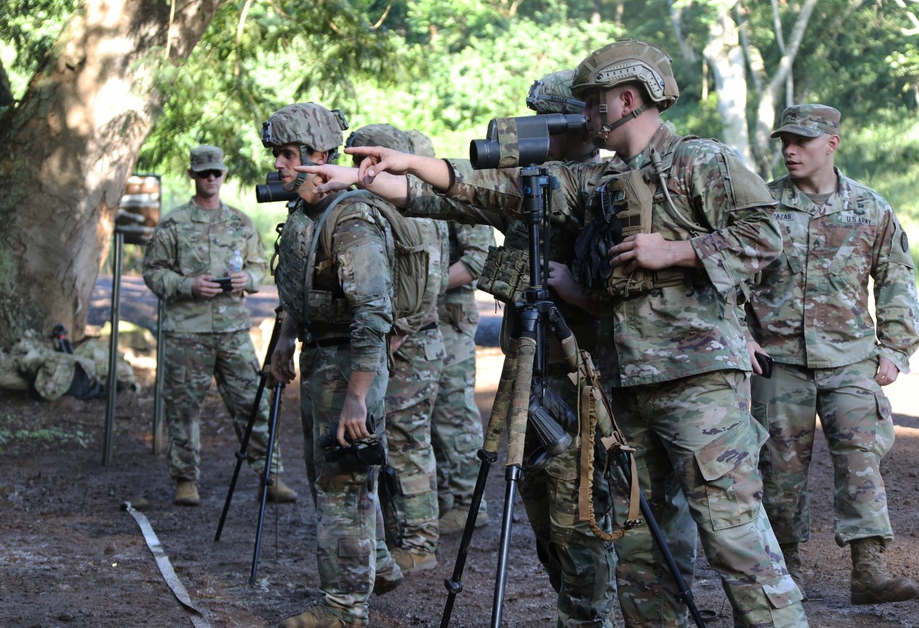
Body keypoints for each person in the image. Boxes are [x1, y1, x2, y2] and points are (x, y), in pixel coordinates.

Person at [302, 39, 808, 627]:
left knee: (734, 538)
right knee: (641, 549)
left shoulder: (701, 161)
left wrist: (677, 249)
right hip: (622, 386)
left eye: (592, 105)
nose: (586, 119)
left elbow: (772, 232)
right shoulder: (602, 183)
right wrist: (406, 168)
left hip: (697, 383)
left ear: (627, 99)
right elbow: (495, 192)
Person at [746, 104, 919, 605]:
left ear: (832, 143)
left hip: (850, 360)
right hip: (778, 362)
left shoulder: (871, 208)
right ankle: (786, 573)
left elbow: (896, 280)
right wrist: (743, 335)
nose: (790, 150)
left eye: (801, 140)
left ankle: (869, 570)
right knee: (777, 470)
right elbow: (730, 276)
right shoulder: (763, 206)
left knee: (862, 461)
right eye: (784, 141)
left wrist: (895, 348)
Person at [263, 104, 399, 628]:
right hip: (320, 355)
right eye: (276, 153)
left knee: (341, 483)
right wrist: (284, 343)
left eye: (289, 154)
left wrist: (357, 396)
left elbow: (373, 311)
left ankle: (344, 608)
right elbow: (298, 290)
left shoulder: (350, 217)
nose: (279, 163)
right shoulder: (305, 212)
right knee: (336, 474)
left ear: (320, 156)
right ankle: (377, 564)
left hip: (349, 362)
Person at [142, 144, 296, 507]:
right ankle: (185, 481)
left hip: (232, 331)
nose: (211, 179)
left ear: (223, 175)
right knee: (182, 409)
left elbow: (261, 266)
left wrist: (249, 279)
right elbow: (153, 271)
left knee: (253, 405)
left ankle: (270, 476)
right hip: (186, 331)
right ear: (193, 175)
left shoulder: (240, 222)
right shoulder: (173, 224)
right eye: (204, 173)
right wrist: (187, 285)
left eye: (217, 173)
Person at [343, 123, 446, 574]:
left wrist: (398, 331)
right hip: (397, 343)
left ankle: (421, 543)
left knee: (408, 444)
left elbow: (430, 284)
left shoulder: (416, 213)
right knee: (390, 445)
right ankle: (402, 534)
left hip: (413, 346)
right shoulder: (377, 208)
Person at [402, 129, 496, 536]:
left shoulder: (457, 195)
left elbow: (478, 261)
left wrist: (427, 283)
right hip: (419, 321)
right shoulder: (408, 201)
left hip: (450, 321)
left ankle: (467, 502)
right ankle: (442, 497)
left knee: (453, 414)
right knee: (423, 412)